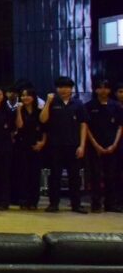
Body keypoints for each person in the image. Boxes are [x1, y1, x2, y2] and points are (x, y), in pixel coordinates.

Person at [38, 76, 90, 213]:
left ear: (71, 89)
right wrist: (48, 102)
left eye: (67, 87)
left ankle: (76, 204)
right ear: (56, 88)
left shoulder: (78, 104)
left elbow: (83, 125)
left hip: (73, 146)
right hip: (55, 146)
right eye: (60, 87)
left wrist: (82, 145)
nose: (64, 90)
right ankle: (53, 203)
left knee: (75, 177)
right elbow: (43, 120)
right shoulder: (52, 102)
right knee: (55, 176)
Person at [85, 79, 121, 212]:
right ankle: (96, 203)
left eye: (106, 88)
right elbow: (86, 127)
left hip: (112, 146)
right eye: (100, 88)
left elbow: (120, 126)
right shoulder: (89, 106)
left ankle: (110, 204)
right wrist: (96, 145)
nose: (103, 90)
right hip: (94, 147)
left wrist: (114, 144)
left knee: (111, 175)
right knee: (95, 175)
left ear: (110, 90)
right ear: (96, 90)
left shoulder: (116, 106)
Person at [15, 87, 46, 210]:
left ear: (33, 97)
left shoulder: (39, 111)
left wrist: (42, 142)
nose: (25, 97)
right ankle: (23, 200)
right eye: (23, 95)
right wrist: (18, 110)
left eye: (28, 95)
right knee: (22, 174)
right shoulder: (19, 110)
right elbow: (19, 126)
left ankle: (34, 201)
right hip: (22, 145)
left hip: (36, 145)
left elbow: (45, 129)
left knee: (34, 174)